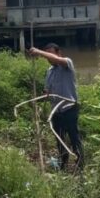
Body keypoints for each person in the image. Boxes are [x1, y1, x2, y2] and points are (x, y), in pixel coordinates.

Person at [27, 43, 83, 171]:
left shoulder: (67, 63)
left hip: (69, 108)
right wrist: (45, 95)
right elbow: (48, 90)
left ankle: (80, 164)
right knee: (59, 138)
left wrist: (39, 52)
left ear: (59, 53)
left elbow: (58, 61)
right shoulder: (49, 72)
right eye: (48, 55)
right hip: (56, 111)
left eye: (51, 54)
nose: (49, 58)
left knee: (74, 137)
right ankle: (63, 164)